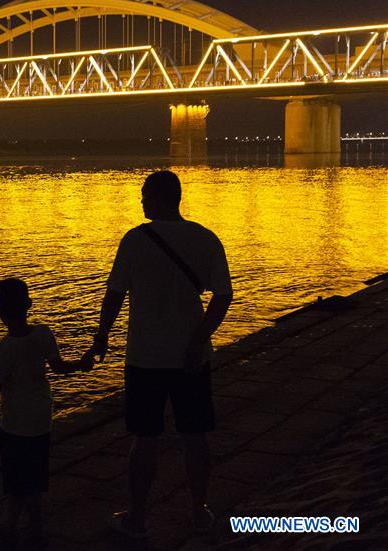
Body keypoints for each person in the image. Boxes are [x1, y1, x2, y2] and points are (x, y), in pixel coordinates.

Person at [83, 170, 233, 539]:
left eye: (145, 195)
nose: (141, 201)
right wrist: (199, 338)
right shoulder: (205, 238)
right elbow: (223, 295)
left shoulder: (134, 241)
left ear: (162, 198)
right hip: (192, 358)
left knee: (144, 438)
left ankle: (137, 518)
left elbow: (115, 295)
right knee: (195, 436)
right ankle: (198, 512)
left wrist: (102, 336)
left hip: (145, 357)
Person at [0, 278, 91, 549]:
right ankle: (33, 524)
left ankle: (14, 526)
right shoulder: (43, 334)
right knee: (35, 474)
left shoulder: (2, 350)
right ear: (29, 304)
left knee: (16, 478)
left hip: (15, 424)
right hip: (41, 418)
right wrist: (81, 364)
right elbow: (59, 367)